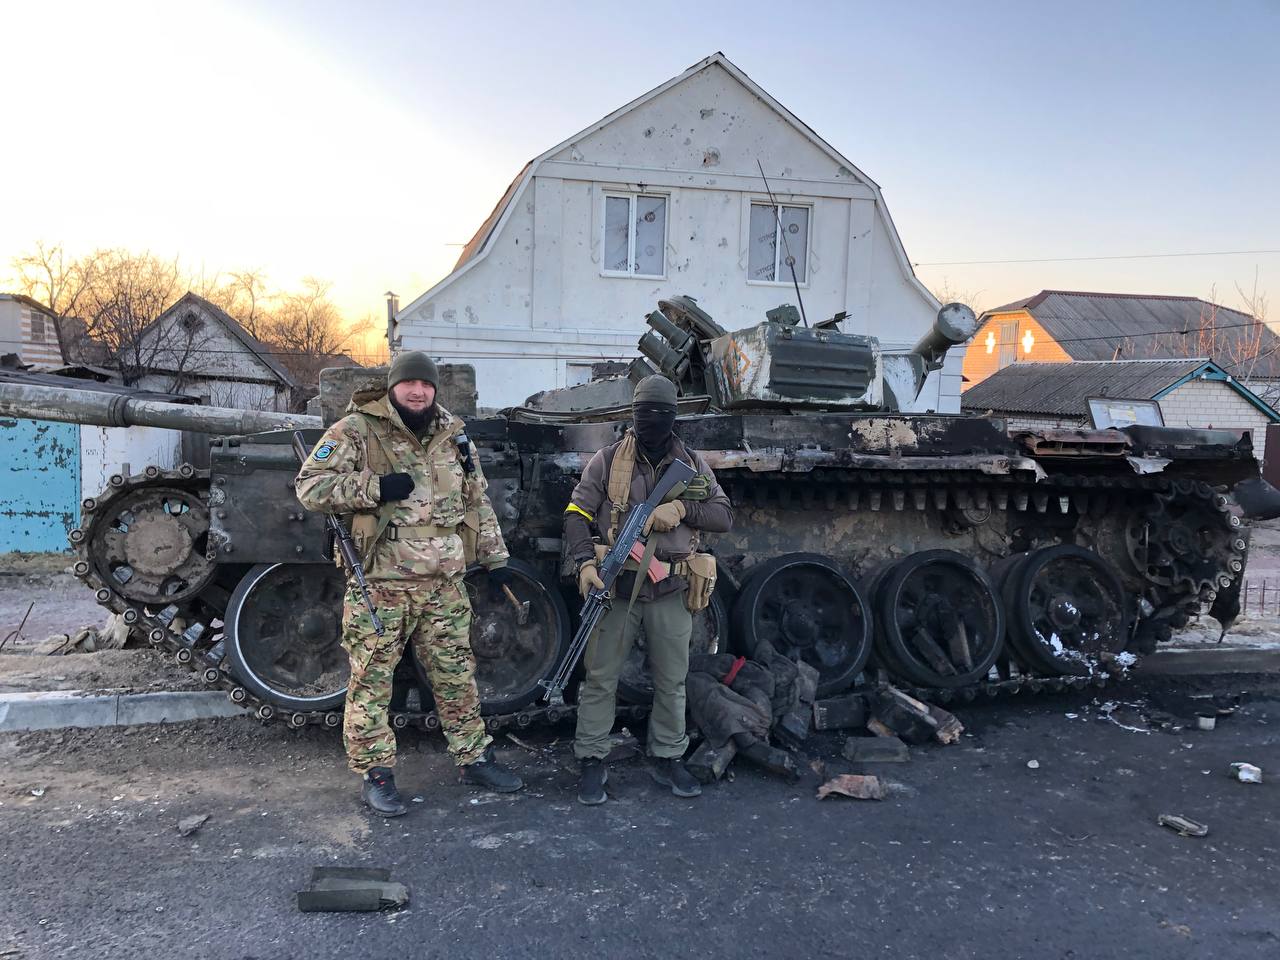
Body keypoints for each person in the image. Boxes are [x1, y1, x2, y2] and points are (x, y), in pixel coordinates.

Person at [296, 351, 523, 816]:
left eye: (426, 384)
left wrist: (494, 557)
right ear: (393, 386)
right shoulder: (357, 429)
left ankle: (473, 757)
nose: (418, 392)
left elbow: (477, 501)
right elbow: (309, 486)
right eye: (409, 383)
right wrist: (374, 487)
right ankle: (376, 773)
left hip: (444, 582)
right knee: (372, 681)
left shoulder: (455, 436)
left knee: (457, 675)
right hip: (383, 581)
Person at [563, 375, 734, 805]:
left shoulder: (691, 464)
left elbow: (723, 515)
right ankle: (592, 758)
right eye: (644, 413)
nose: (651, 421)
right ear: (633, 414)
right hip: (617, 587)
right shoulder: (607, 460)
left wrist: (682, 508)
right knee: (600, 678)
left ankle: (668, 755)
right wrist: (585, 562)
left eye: (660, 413)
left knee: (672, 680)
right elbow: (576, 513)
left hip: (670, 587)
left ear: (673, 417)